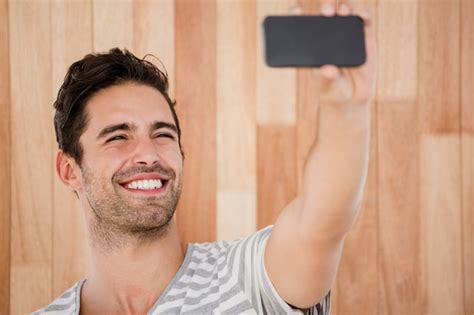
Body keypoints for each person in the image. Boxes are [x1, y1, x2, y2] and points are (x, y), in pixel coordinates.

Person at [33, 1, 376, 314]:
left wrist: (346, 108)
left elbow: (322, 220)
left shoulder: (249, 279)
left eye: (163, 134)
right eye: (118, 136)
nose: (149, 153)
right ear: (69, 170)